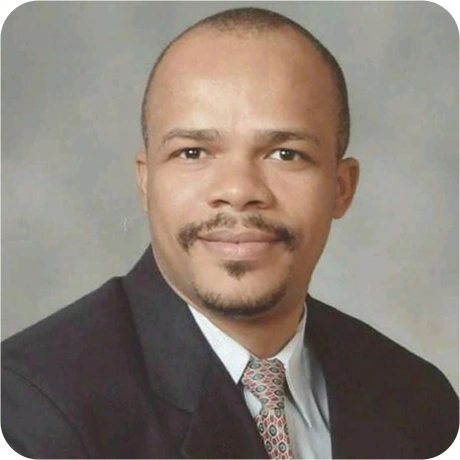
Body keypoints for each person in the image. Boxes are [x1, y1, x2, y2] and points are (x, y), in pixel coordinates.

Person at [1, 7, 458, 459]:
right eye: (193, 152)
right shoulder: (30, 413)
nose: (238, 191)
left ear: (342, 188)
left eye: (285, 154)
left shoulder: (422, 403)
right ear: (146, 182)